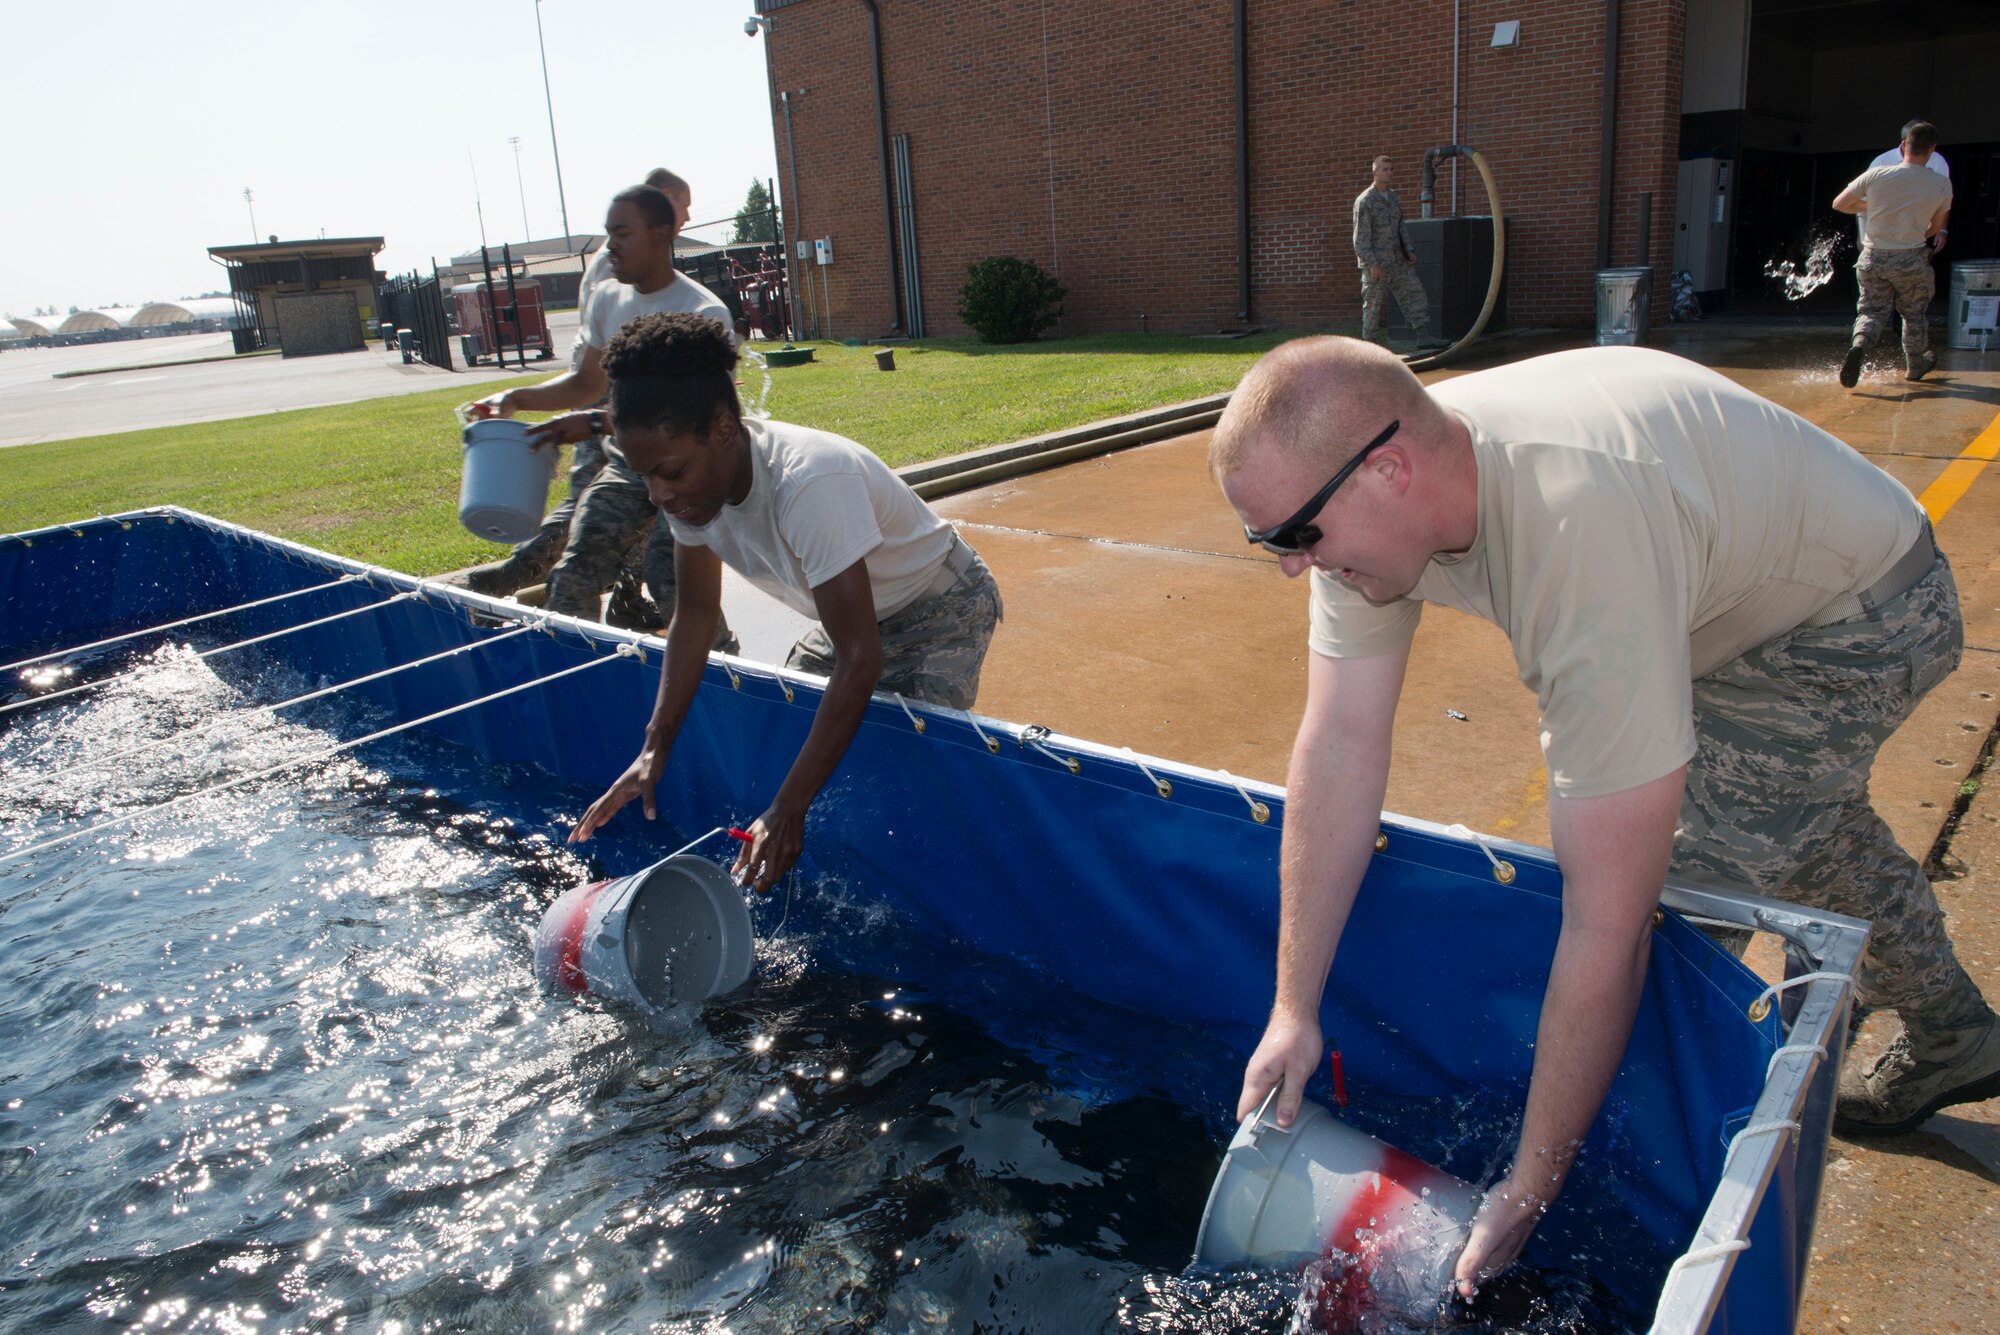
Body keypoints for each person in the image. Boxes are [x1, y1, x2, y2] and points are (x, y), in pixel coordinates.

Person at [1209, 336, 1999, 1296]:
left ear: (1387, 469)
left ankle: (1891, 1049)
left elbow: (1608, 922)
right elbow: (1338, 746)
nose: (1289, 568)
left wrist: (1528, 1187)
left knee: (1687, 896)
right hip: (1721, 601)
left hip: (1857, 618)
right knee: (1802, 830)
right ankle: (1956, 1030)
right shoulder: (1373, 508)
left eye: (1292, 536)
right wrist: (1294, 1009)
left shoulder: (1574, 531)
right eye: (1268, 544)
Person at [565, 312, 1002, 891]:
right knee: (791, 733)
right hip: (851, 618)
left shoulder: (809, 483)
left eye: (668, 473)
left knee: (900, 765)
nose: (658, 496)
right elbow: (694, 616)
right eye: (644, 477)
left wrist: (789, 809)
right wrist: (654, 746)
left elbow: (860, 661)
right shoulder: (693, 494)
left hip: (940, 607)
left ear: (724, 429)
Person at [468, 179, 735, 647]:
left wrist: (593, 423)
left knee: (668, 576)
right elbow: (588, 383)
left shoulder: (703, 313)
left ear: (661, 234)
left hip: (692, 470)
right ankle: (578, 673)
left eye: (622, 233)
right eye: (608, 232)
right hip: (627, 467)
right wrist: (517, 398)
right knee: (574, 572)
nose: (610, 245)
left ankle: (726, 671)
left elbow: (695, 422)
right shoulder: (608, 297)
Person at [1833, 121, 1951, 387]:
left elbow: (1840, 204)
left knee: (1871, 311)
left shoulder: (1877, 173)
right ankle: (1915, 363)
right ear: (1932, 150)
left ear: (1903, 146)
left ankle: (1860, 344)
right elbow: (1934, 227)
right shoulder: (1941, 184)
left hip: (1873, 257)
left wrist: (1871, 207)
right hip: (1910, 257)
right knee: (1913, 314)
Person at [1351, 156, 1440, 349]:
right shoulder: (1365, 201)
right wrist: (1372, 263)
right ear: (1375, 172)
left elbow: (1401, 227)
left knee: (1415, 295)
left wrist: (1409, 250)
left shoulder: (1393, 198)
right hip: (1377, 265)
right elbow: (1360, 238)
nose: (1389, 173)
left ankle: (1423, 337)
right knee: (1372, 307)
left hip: (1398, 262)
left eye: (1391, 169)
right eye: (1385, 169)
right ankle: (1370, 349)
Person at [1868, 120, 1950, 256]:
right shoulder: (1881, 163)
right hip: (1885, 235)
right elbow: (1856, 202)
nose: (1925, 150)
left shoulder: (1937, 160)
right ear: (1905, 143)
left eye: (1927, 144)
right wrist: (1863, 234)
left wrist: (1941, 230)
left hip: (1920, 233)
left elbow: (1944, 200)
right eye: (1919, 143)